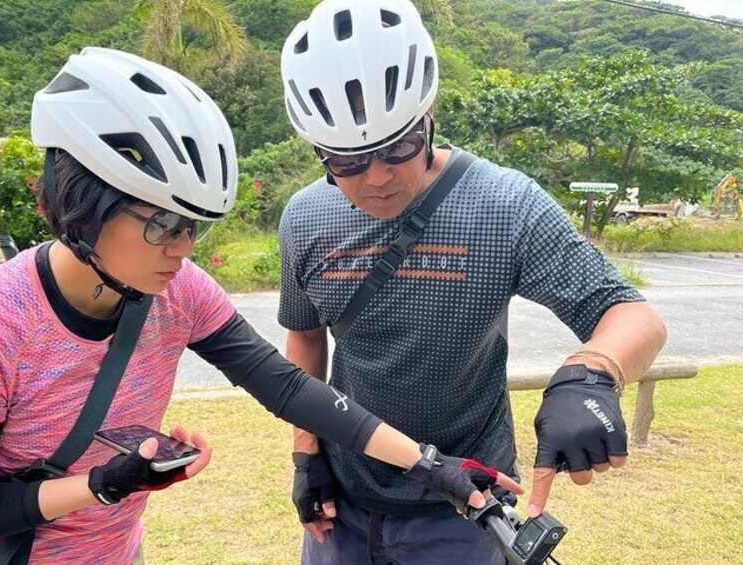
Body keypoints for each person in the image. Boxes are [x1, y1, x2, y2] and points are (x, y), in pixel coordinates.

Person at [0, 47, 522, 565]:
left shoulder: (179, 289)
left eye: (194, 228)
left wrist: (430, 466)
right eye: (164, 224)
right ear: (81, 201)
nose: (181, 249)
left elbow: (284, 385)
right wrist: (100, 485)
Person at [277, 1, 668, 563]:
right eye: (348, 161)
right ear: (319, 152)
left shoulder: (503, 203)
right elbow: (307, 338)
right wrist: (306, 456)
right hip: (344, 496)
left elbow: (631, 314)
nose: (379, 176)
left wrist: (590, 376)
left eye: (398, 146)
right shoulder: (306, 217)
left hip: (466, 503)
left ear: (427, 113)